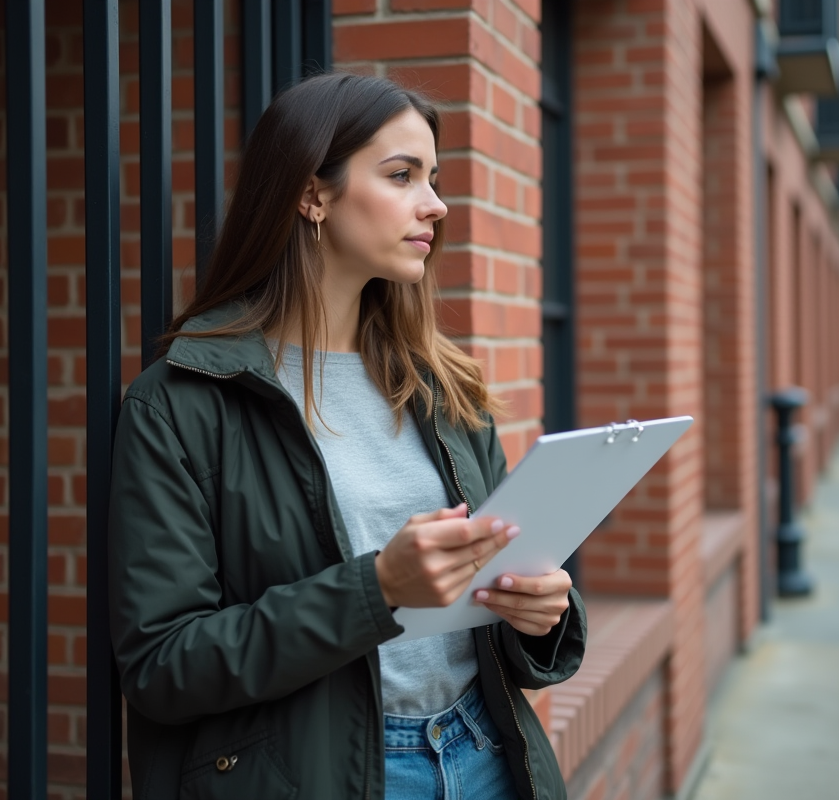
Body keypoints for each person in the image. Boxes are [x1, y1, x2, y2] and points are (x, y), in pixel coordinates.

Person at [107, 72, 587, 800]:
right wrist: (378, 588)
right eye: (402, 175)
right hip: (323, 775)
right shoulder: (179, 405)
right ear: (312, 195)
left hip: (485, 755)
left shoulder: (442, 385)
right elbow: (163, 666)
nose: (437, 204)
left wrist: (542, 614)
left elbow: (499, 597)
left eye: (434, 177)